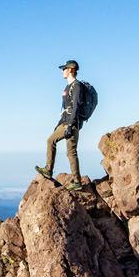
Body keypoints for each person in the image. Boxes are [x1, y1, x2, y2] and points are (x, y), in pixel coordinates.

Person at [37, 59, 84, 190]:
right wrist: (58, 125)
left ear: (70, 70)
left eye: (64, 69)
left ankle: (48, 169)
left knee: (51, 141)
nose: (62, 71)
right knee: (71, 152)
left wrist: (69, 125)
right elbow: (65, 108)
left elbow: (76, 107)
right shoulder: (68, 87)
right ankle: (77, 181)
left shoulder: (77, 86)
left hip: (70, 123)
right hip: (66, 122)